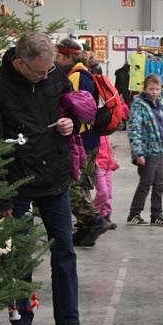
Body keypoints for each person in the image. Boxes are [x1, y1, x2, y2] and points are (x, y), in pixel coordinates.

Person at [0, 32, 86, 325]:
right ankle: (21, 324)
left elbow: (71, 110)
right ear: (19, 63)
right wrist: (1, 198)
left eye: (49, 70)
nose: (45, 75)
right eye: (39, 71)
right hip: (17, 184)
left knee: (64, 251)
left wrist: (71, 124)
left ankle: (69, 322)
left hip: (56, 179)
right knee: (20, 258)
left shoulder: (55, 75)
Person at [55, 38, 110, 245]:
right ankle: (87, 233)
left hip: (82, 139)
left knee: (73, 185)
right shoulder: (86, 72)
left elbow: (76, 109)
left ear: (68, 57)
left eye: (59, 56)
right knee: (83, 184)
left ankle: (93, 220)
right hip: (91, 137)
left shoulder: (76, 76)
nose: (56, 60)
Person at [126, 74, 163, 226]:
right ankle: (134, 213)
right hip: (147, 151)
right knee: (146, 183)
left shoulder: (161, 104)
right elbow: (134, 129)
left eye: (157, 89)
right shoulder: (139, 105)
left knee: (160, 182)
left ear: (161, 90)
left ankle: (156, 214)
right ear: (145, 89)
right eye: (151, 89)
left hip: (159, 151)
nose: (154, 92)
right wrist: (138, 152)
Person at [86, 59, 120, 229]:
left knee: (109, 193)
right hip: (98, 161)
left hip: (107, 161)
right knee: (103, 192)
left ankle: (105, 215)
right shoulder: (92, 115)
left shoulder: (104, 115)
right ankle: (90, 213)